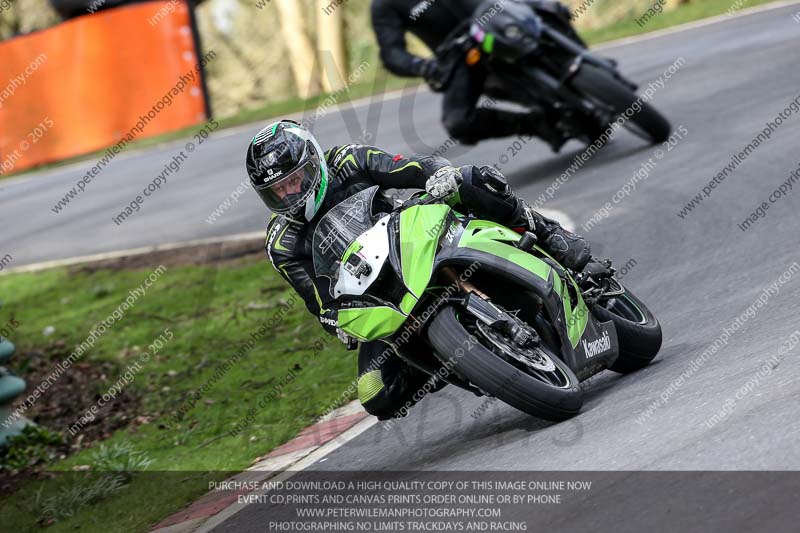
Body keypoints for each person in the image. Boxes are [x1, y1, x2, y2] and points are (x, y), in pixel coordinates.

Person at [246, 120, 589, 419]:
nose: (289, 193)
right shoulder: (282, 245)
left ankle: (547, 233)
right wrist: (339, 323)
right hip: (380, 298)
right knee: (374, 391)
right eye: (276, 190)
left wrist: (435, 175)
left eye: (294, 180)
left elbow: (410, 167)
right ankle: (448, 361)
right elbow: (320, 304)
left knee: (470, 179)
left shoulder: (348, 161)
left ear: (314, 161)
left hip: (414, 242)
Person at [371, 0, 577, 149]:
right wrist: (423, 66)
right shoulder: (384, 5)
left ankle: (581, 58)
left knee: (550, 9)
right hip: (463, 54)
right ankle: (538, 124)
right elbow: (391, 53)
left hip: (501, 18)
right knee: (457, 121)